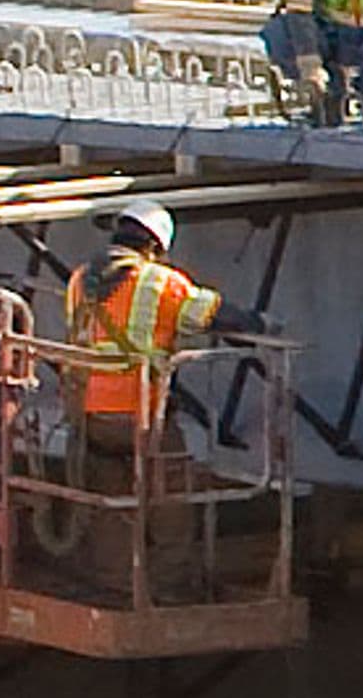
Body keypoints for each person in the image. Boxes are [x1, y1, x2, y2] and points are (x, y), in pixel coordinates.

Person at [62, 199, 267, 586]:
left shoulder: (79, 279)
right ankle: (170, 582)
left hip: (90, 412)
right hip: (141, 415)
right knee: (171, 497)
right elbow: (213, 314)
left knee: (110, 502)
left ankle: (114, 580)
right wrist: (260, 323)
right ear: (155, 245)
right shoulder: (159, 282)